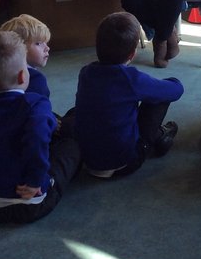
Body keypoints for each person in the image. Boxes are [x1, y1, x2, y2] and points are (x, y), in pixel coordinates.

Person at [0, 30, 80, 223]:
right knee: (70, 147)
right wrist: (35, 180)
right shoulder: (36, 104)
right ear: (23, 76)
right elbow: (37, 139)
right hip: (31, 202)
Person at [73, 12, 183, 178]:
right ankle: (157, 135)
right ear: (132, 54)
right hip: (124, 164)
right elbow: (176, 90)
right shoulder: (131, 79)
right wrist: (171, 80)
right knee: (158, 98)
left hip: (89, 161)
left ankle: (156, 134)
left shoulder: (86, 72)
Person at [0, 14, 52, 97]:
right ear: (19, 48)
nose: (47, 48)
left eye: (45, 42)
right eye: (38, 43)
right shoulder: (36, 79)